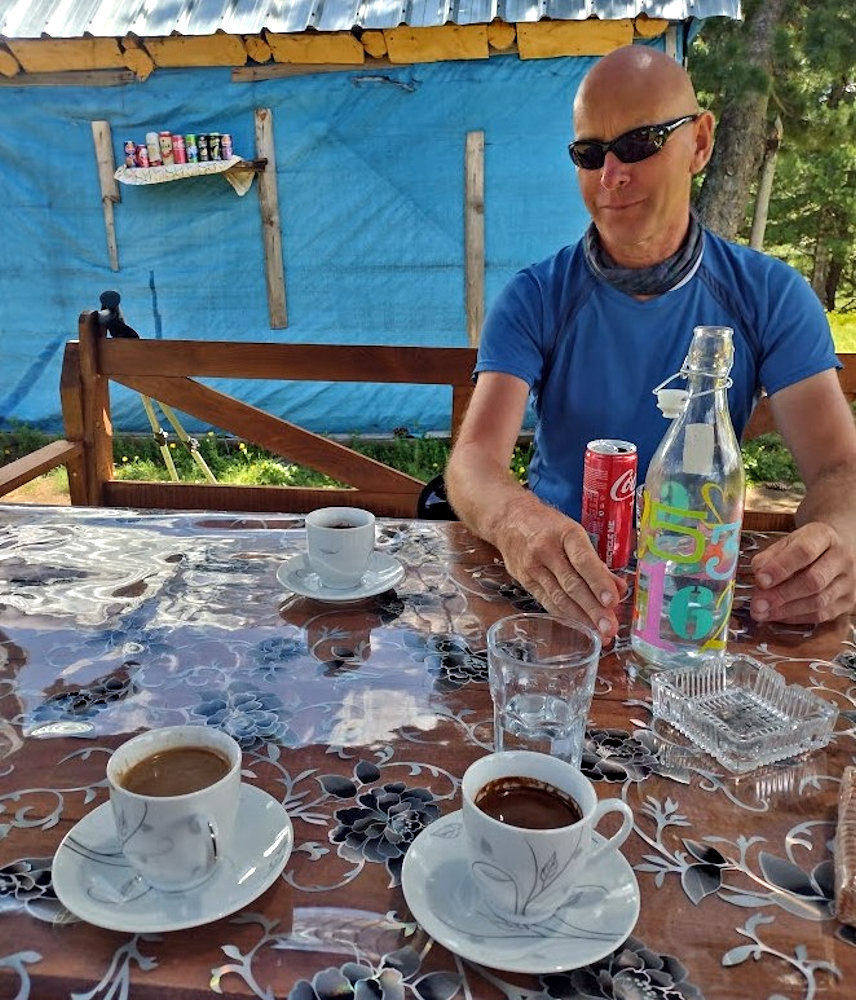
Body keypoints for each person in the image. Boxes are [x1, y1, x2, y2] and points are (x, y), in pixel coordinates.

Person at [445, 44, 856, 642]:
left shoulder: (769, 295)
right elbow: (474, 459)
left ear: (702, 142)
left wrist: (841, 538)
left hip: (696, 597)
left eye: (639, 143)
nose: (612, 175)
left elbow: (840, 466)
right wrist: (519, 525)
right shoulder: (537, 295)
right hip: (562, 593)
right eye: (590, 154)